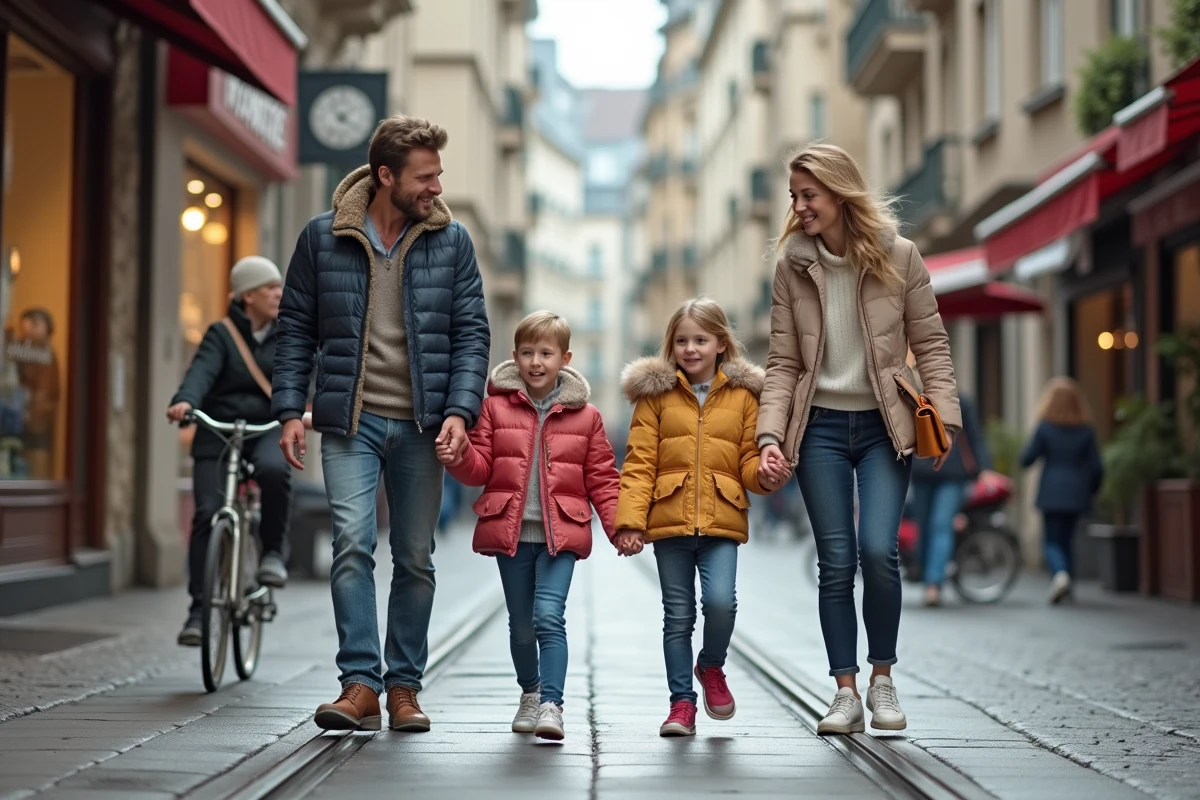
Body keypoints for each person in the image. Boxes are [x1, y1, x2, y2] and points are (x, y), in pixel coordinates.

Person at [272, 115, 490, 733]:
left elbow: (472, 334)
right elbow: (295, 330)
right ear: (386, 176)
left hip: (423, 426)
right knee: (351, 543)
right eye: (426, 177)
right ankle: (360, 684)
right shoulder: (322, 238)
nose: (437, 188)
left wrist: (459, 411)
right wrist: (289, 410)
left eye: (439, 175)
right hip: (352, 421)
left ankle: (404, 688)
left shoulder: (452, 242)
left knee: (415, 556)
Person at [755, 143, 960, 735]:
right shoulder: (792, 266)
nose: (799, 207)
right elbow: (783, 362)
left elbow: (931, 344)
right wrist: (770, 435)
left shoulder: (900, 256)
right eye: (794, 196)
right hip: (818, 425)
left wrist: (945, 418)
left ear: (840, 194)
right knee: (836, 561)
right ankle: (844, 692)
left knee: (878, 550)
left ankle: (882, 679)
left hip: (884, 426)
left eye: (809, 195)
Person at [440, 311, 621, 741]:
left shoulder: (587, 416)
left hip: (563, 534)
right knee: (521, 626)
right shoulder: (494, 407)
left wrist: (620, 529)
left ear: (565, 359)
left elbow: (602, 478)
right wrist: (459, 457)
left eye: (546, 353)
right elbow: (480, 468)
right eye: (527, 352)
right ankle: (530, 693)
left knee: (548, 616)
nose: (536, 362)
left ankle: (552, 705)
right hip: (512, 533)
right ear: (514, 356)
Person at [615, 298, 773, 738]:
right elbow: (639, 463)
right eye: (682, 340)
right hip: (670, 520)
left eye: (701, 340)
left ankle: (711, 665)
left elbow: (748, 460)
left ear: (721, 344)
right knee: (678, 616)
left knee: (722, 603)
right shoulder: (655, 397)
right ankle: (681, 703)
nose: (690, 349)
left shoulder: (744, 397)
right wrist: (630, 522)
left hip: (722, 519)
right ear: (671, 345)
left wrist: (763, 474)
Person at [167, 256, 292, 646]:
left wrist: (305, 407)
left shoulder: (288, 334)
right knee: (207, 513)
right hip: (218, 431)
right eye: (270, 287)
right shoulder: (220, 334)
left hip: (265, 428)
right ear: (247, 295)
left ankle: (272, 553)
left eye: (279, 286)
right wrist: (185, 401)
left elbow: (301, 374)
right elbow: (201, 372)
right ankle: (198, 611)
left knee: (275, 470)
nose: (279, 293)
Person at [910, 380, 995, 607]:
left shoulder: (959, 401)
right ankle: (926, 575)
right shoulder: (915, 398)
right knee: (925, 526)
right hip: (922, 473)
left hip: (952, 474)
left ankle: (933, 583)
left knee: (940, 525)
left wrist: (985, 468)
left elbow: (975, 436)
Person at [1020, 377, 1103, 604]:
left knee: (1051, 541)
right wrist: (1092, 489)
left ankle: (1060, 574)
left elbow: (1027, 458)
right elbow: (1097, 467)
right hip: (1076, 491)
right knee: (1067, 540)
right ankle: (1068, 585)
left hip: (1051, 490)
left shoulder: (1045, 427)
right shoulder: (1085, 430)